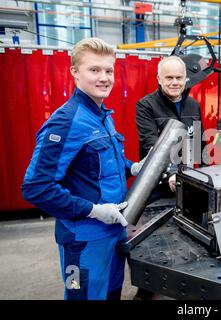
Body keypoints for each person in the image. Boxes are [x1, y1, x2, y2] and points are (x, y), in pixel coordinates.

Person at [21, 38, 147, 300]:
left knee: (112, 294)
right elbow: (36, 188)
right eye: (94, 70)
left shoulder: (102, 115)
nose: (104, 78)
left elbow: (101, 165)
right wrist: (93, 211)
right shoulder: (66, 122)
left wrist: (133, 167)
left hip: (114, 232)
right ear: (75, 72)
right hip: (83, 240)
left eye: (109, 70)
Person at [135, 55, 203, 196]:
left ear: (185, 79)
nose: (175, 82)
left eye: (179, 78)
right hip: (156, 184)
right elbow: (151, 145)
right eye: (169, 78)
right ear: (159, 79)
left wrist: (208, 173)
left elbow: (199, 143)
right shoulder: (146, 106)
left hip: (187, 181)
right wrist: (172, 174)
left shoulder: (193, 105)